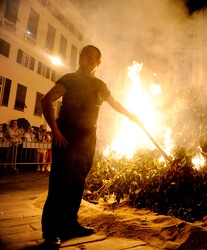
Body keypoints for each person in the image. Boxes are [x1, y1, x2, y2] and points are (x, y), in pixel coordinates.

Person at [40, 45, 141, 248]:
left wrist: (131, 116)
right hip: (66, 139)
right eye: (83, 58)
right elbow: (46, 100)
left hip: (87, 141)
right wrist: (55, 130)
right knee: (60, 183)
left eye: (91, 59)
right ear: (79, 59)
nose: (86, 62)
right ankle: (50, 231)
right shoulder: (69, 79)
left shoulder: (101, 86)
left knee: (78, 183)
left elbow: (115, 104)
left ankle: (70, 224)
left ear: (98, 63)